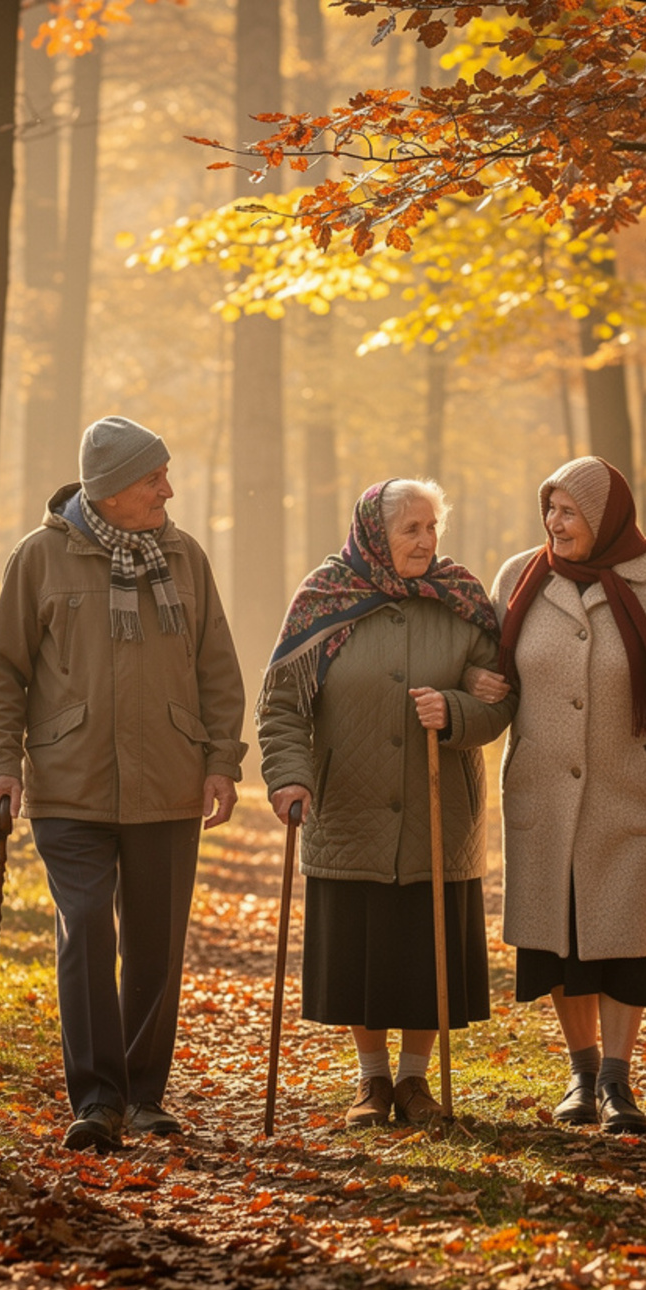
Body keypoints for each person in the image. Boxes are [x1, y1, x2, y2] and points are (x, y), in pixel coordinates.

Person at [0, 416, 247, 1153]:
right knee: (87, 928)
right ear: (110, 489)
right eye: (151, 476)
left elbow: (217, 666)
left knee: (155, 942)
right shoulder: (39, 558)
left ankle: (143, 1095)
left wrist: (222, 758)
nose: (167, 488)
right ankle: (98, 1098)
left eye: (164, 473)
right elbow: (2, 670)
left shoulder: (184, 556)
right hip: (70, 781)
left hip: (168, 776)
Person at [470, 457, 646, 1133]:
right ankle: (581, 1075)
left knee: (628, 944)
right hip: (543, 797)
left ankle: (618, 1082)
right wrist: (477, 687)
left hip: (634, 795)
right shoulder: (519, 577)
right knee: (560, 946)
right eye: (549, 510)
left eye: (569, 512)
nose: (555, 524)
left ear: (606, 517)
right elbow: (492, 665)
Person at [257, 479, 515, 1128]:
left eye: (432, 528)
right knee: (361, 952)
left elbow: (501, 702)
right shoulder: (326, 598)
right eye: (411, 529)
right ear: (376, 532)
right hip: (350, 805)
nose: (426, 541)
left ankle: (413, 1082)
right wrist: (289, 777)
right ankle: (371, 1083)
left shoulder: (461, 599)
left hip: (439, 808)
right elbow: (284, 703)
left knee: (425, 951)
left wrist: (457, 708)